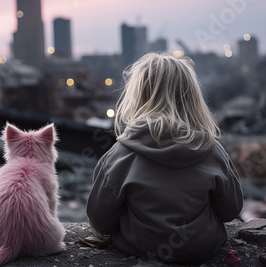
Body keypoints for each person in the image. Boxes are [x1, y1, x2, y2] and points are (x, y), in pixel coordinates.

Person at [86, 52, 243, 264]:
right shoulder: (212, 150)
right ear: (192, 98)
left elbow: (101, 222)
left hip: (139, 249)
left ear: (138, 97)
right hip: (202, 249)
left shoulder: (120, 155)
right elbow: (230, 211)